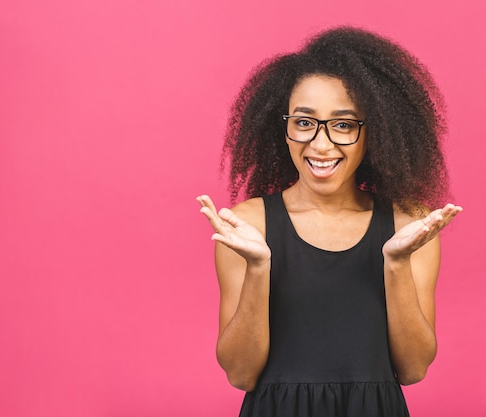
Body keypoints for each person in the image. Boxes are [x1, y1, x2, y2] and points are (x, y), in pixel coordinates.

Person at [197, 26, 462, 417]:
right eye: (304, 122)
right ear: (283, 129)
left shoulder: (409, 224)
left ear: (375, 134)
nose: (321, 144)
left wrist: (396, 264)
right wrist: (258, 268)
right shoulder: (249, 225)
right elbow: (240, 374)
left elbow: (413, 368)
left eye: (343, 124)